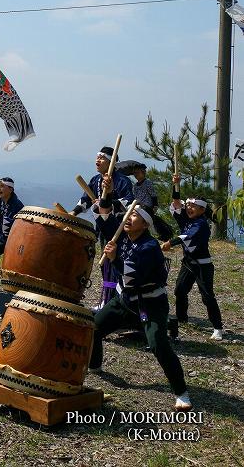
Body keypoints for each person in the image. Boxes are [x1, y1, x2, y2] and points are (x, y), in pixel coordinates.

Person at [89, 203, 192, 411]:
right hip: (124, 300)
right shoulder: (124, 236)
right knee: (93, 328)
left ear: (145, 224)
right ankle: (95, 365)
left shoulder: (149, 247)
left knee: (158, 344)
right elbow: (107, 219)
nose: (128, 219)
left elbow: (133, 277)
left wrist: (114, 258)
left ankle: (182, 393)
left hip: (150, 302)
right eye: (127, 215)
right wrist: (107, 191)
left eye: (134, 216)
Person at [72, 146, 135, 310]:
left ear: (111, 162)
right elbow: (85, 199)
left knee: (115, 262)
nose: (97, 160)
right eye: (97, 157)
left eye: (101, 158)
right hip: (103, 228)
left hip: (118, 228)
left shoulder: (122, 181)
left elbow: (128, 202)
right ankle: (107, 300)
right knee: (105, 264)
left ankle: (117, 301)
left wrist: (107, 203)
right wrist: (75, 212)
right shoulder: (95, 180)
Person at [162, 174, 224, 340]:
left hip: (203, 265)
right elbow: (176, 203)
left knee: (207, 296)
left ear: (202, 210)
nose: (188, 208)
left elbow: (186, 237)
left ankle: (218, 327)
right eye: (188, 205)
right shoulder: (186, 218)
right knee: (180, 290)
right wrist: (176, 185)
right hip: (188, 262)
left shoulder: (201, 224)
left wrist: (170, 242)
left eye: (193, 206)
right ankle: (182, 319)